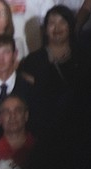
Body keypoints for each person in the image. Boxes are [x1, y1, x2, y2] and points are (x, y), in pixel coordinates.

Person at [17, 5, 80, 138]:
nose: (57, 28)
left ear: (70, 26)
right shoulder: (32, 61)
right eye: (52, 23)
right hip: (45, 132)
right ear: (45, 29)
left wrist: (40, 83)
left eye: (62, 22)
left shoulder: (83, 56)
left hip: (80, 128)